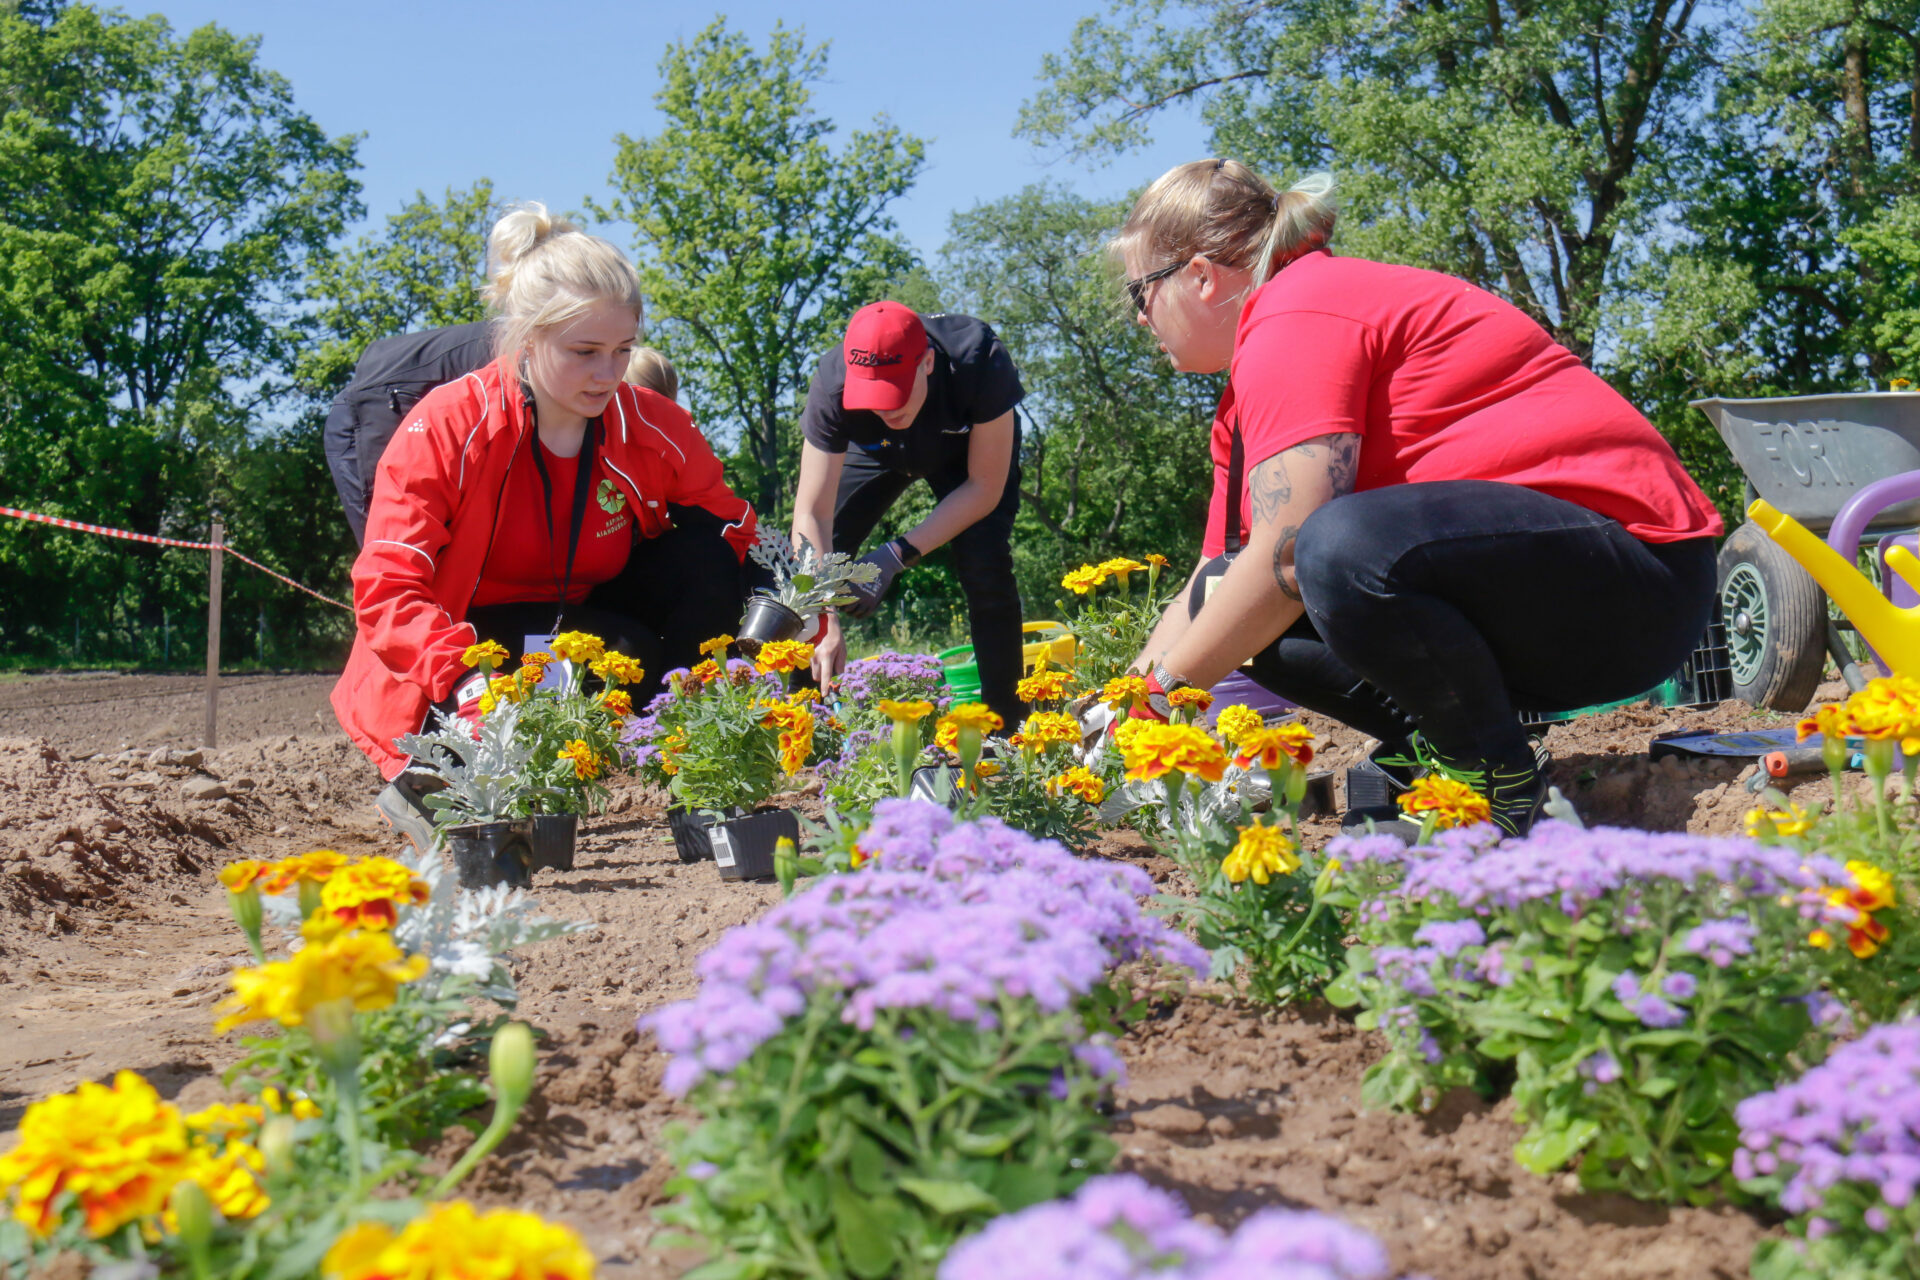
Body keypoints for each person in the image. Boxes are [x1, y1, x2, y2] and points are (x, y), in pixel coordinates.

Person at [1115, 160, 1723, 837]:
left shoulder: (1298, 310)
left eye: (1140, 292)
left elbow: (1288, 552)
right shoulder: (1246, 394)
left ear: (1200, 276)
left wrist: (1160, 700)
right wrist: (1118, 708)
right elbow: (1213, 582)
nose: (1139, 318)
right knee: (1226, 601)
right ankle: (1456, 749)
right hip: (1546, 600)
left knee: (1327, 547)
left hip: (1638, 585)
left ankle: (1492, 781)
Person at [330, 204, 757, 851]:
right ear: (527, 339)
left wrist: (800, 606)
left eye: (622, 351)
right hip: (466, 661)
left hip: (582, 640)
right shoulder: (447, 426)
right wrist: (468, 685)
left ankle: (697, 776)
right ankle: (465, 779)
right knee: (484, 814)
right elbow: (387, 589)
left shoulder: (650, 423)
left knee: (706, 552)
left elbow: (737, 529)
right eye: (584, 352)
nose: (608, 375)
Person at [793, 302, 1027, 724]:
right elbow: (811, 515)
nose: (886, 408)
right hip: (875, 451)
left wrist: (894, 555)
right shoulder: (833, 384)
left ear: (928, 363)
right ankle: (801, 722)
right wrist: (825, 618)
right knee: (811, 574)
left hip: (964, 452)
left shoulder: (979, 359)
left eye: (895, 392)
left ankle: (1006, 726)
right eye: (874, 396)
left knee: (984, 560)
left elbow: (984, 488)